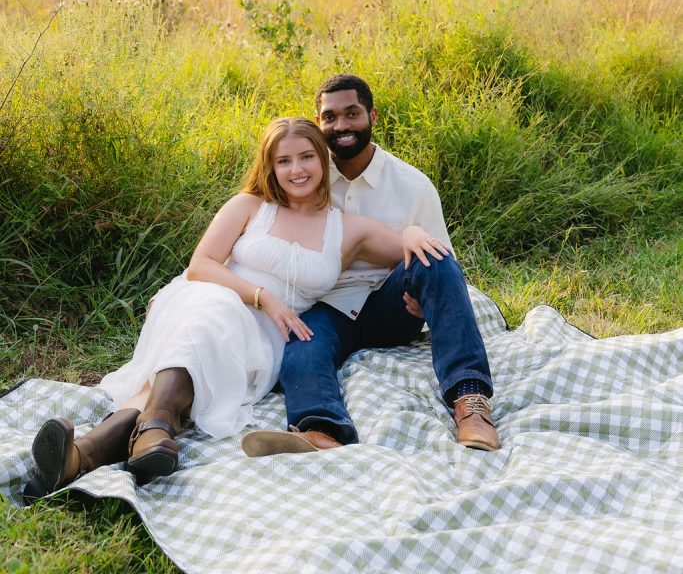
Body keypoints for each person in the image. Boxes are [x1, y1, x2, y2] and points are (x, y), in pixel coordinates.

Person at [24, 117, 441, 500]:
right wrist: (263, 296)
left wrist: (415, 230)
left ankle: (84, 454)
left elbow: (411, 246)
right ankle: (157, 429)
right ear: (270, 166)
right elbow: (201, 266)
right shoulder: (249, 207)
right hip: (213, 296)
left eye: (307, 157)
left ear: (323, 159)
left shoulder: (346, 227)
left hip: (266, 337)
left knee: (185, 354)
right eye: (284, 160)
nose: (297, 170)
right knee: (210, 318)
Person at [241, 75, 500, 458]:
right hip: (327, 304)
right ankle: (321, 430)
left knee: (435, 257)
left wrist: (425, 297)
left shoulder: (412, 185)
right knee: (301, 346)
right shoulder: (306, 173)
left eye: (352, 114)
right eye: (330, 117)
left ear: (372, 116)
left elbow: (445, 270)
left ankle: (470, 400)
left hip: (394, 303)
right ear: (319, 122)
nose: (341, 126)